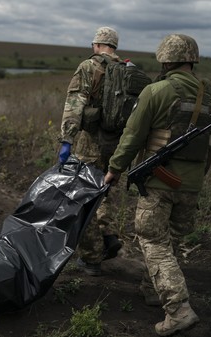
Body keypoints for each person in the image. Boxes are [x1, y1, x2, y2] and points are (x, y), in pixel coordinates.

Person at [104, 34, 211, 336]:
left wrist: (114, 170)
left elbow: (132, 136)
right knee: (168, 241)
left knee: (152, 240)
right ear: (192, 60)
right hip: (191, 187)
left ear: (166, 60)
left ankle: (179, 309)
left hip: (159, 181)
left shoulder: (155, 91)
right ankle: (152, 290)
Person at [58, 26, 124, 276]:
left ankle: (91, 258)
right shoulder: (126, 70)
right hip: (117, 146)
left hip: (91, 144)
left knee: (82, 197)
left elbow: (75, 103)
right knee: (103, 192)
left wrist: (67, 140)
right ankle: (108, 236)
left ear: (96, 45)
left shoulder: (88, 67)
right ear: (114, 46)